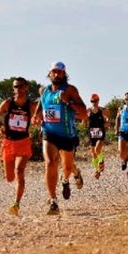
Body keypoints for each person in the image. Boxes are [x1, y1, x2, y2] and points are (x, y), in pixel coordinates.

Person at [35, 61, 87, 215]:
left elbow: (84, 113)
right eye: (54, 72)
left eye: (60, 72)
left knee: (67, 166)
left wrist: (68, 101)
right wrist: (36, 116)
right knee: (51, 163)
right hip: (49, 133)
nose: (56, 74)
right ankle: (53, 201)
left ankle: (73, 175)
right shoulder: (43, 90)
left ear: (64, 74)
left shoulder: (70, 90)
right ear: (49, 73)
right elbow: (42, 106)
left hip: (67, 134)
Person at [0, 77, 37, 216]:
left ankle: (16, 204)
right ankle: (16, 189)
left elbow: (40, 117)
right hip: (8, 143)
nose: (19, 89)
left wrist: (37, 120)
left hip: (23, 142)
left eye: (21, 86)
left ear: (27, 87)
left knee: (19, 171)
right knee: (10, 177)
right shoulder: (8, 103)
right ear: (13, 88)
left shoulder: (31, 105)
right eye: (16, 86)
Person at [85, 93, 109, 179]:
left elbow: (108, 118)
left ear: (98, 101)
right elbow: (84, 120)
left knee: (97, 149)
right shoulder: (88, 111)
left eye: (95, 101)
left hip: (100, 132)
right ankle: (97, 171)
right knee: (93, 154)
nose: (94, 102)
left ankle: (101, 161)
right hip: (92, 133)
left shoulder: (102, 110)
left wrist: (107, 122)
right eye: (92, 101)